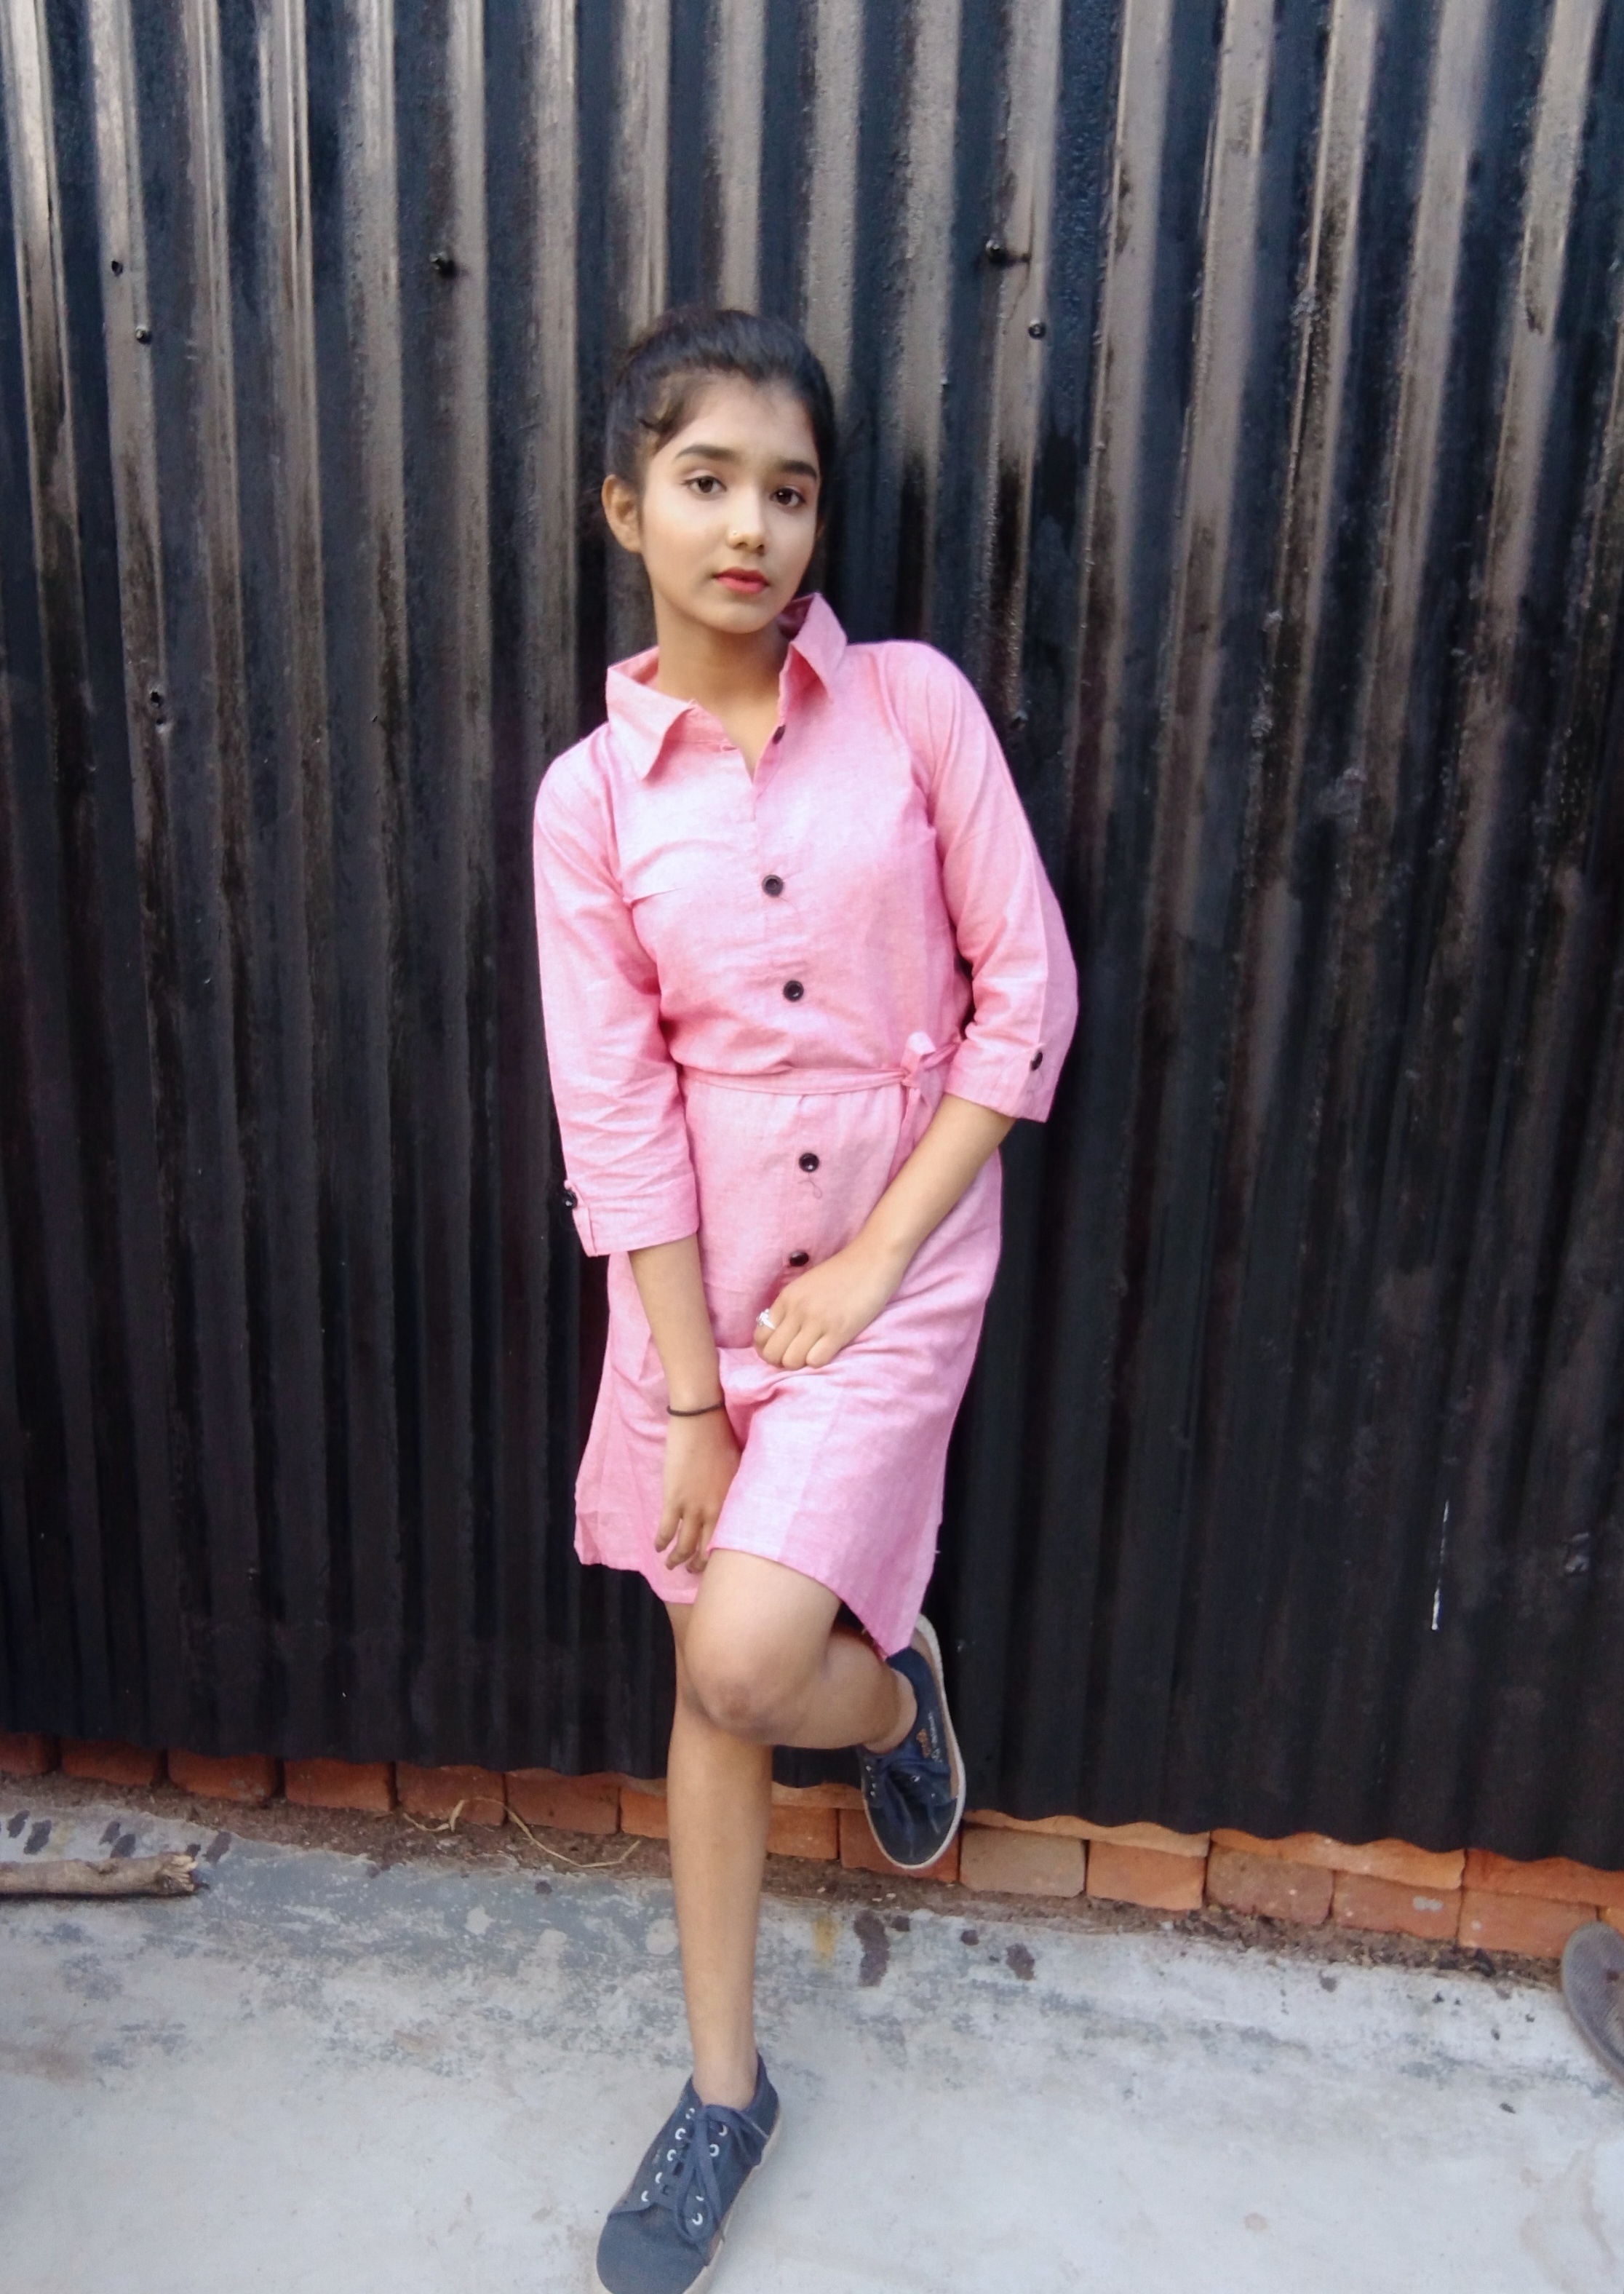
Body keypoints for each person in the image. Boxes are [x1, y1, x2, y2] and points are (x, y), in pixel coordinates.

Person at [532, 306, 1077, 2294]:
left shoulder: (913, 708)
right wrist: (689, 1398)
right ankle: (724, 2089)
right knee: (707, 1680)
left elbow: (1028, 1000)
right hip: (700, 1288)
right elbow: (616, 1119)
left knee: (757, 1664)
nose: (752, 526)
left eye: (790, 488)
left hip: (894, 1258)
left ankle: (895, 1690)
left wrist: (875, 1259)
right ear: (627, 509)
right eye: (706, 482)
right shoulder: (590, 802)